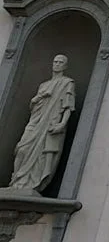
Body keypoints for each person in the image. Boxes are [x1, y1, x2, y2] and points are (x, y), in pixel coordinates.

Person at [9, 54, 76, 193]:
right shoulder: (43, 85)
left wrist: (62, 124)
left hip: (51, 123)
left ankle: (32, 184)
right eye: (55, 61)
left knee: (43, 154)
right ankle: (16, 180)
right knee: (21, 149)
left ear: (65, 66)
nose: (57, 64)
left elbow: (68, 107)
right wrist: (40, 97)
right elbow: (33, 105)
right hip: (36, 121)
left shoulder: (67, 83)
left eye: (60, 62)